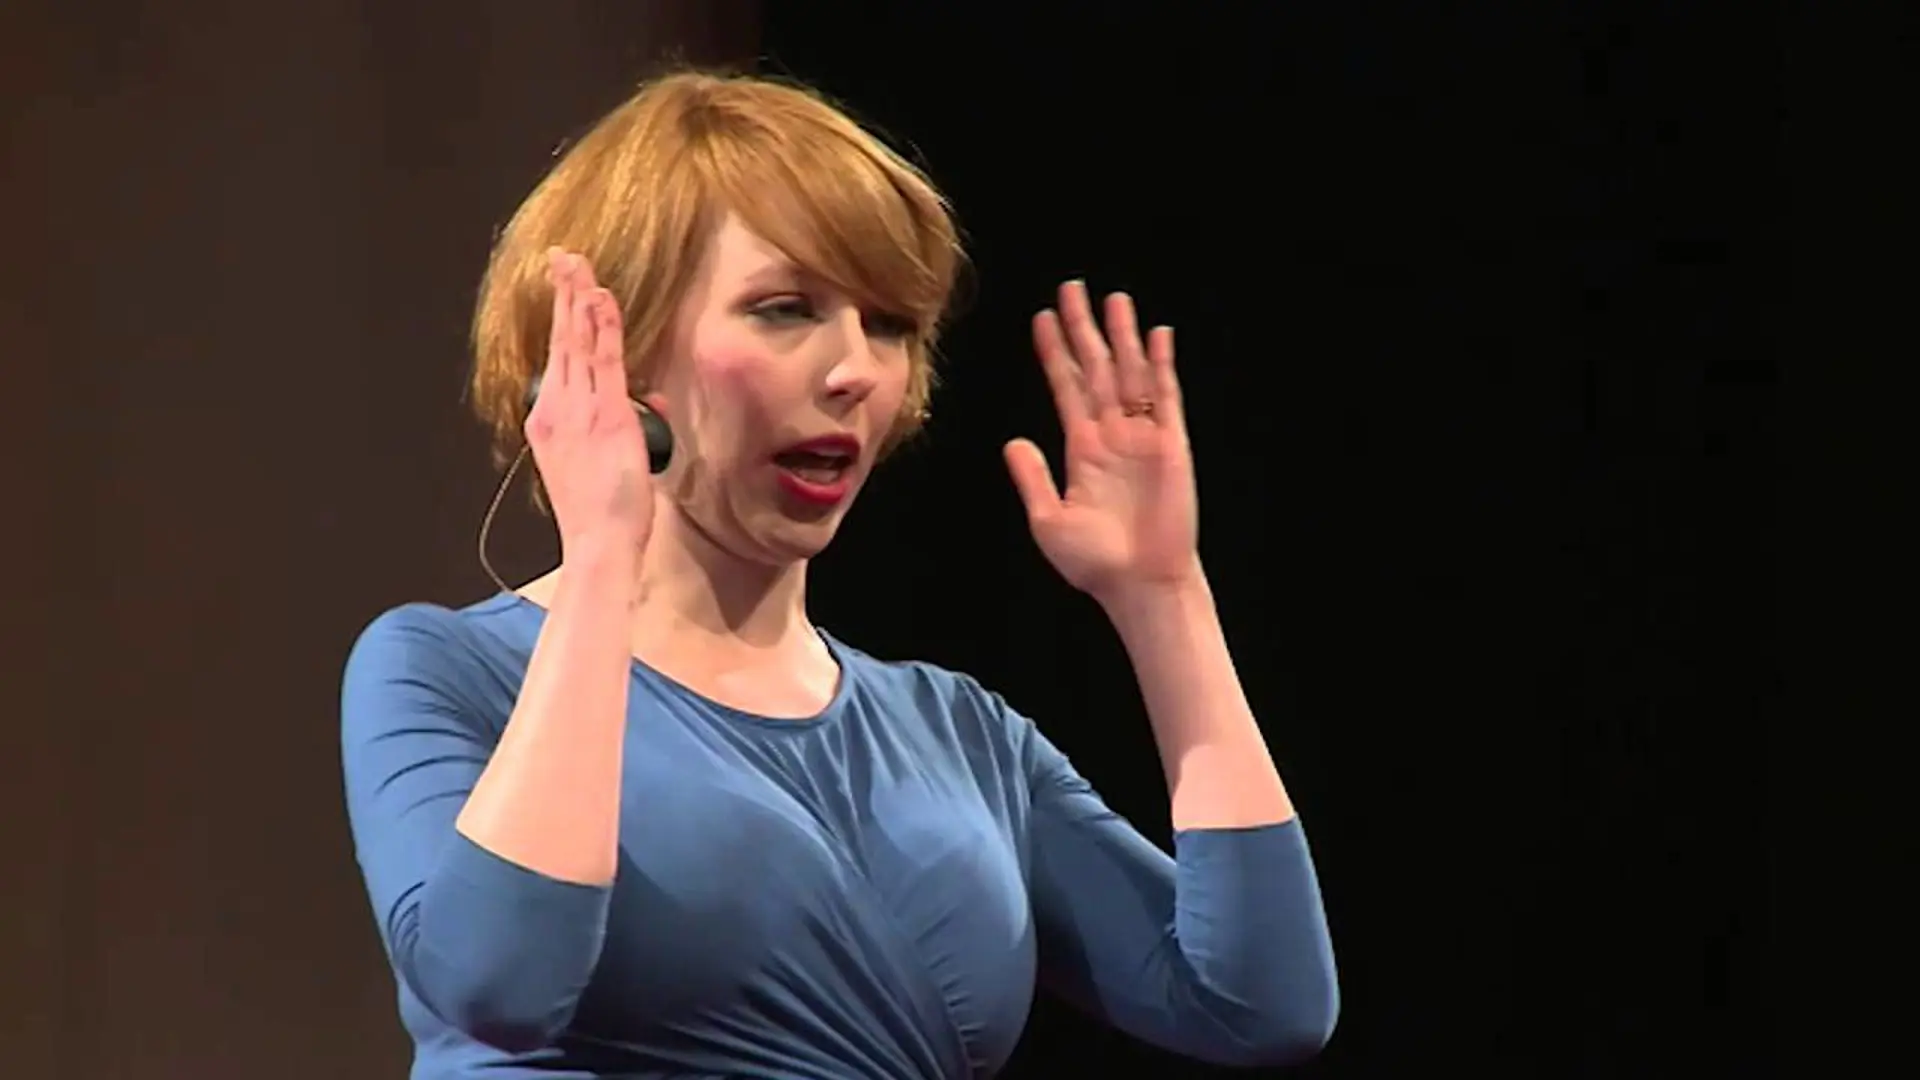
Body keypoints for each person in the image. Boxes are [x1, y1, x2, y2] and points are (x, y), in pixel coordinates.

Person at [340, 70, 1338, 1080]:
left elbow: (1261, 1004)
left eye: (889, 324)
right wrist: (602, 556)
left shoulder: (960, 735)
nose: (857, 369)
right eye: (785, 309)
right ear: (615, 349)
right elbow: (503, 983)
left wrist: (1165, 597)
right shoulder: (449, 672)